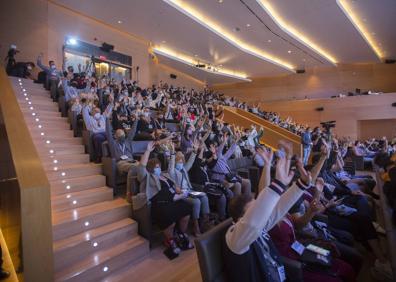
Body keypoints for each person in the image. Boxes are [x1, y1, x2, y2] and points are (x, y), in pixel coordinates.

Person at [223, 141, 312, 282]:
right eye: (253, 209)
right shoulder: (235, 237)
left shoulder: (259, 227)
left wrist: (301, 185)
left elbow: (278, 209)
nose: (259, 211)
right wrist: (277, 185)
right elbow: (251, 223)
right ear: (241, 218)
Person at [137, 142, 193, 259]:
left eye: (159, 166)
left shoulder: (164, 175)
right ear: (151, 168)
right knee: (169, 219)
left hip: (173, 199)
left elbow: (175, 187)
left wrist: (180, 191)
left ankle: (181, 234)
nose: (159, 168)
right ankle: (170, 240)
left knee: (187, 209)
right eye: (156, 167)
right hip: (160, 203)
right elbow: (141, 168)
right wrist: (147, 151)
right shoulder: (148, 177)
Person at [167, 141, 212, 236]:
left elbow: (190, 163)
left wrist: (195, 151)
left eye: (181, 161)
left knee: (204, 197)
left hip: (189, 191)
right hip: (182, 193)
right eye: (178, 161)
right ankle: (196, 227)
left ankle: (205, 222)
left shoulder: (184, 169)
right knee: (196, 202)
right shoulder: (172, 172)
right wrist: (173, 153)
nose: (180, 163)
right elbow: (171, 165)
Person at [82, 96, 113, 163]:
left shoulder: (102, 117)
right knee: (98, 138)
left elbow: (108, 110)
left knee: (113, 136)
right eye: (94, 109)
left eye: (97, 109)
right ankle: (99, 157)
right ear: (91, 112)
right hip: (96, 134)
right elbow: (84, 111)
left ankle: (113, 155)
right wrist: (87, 101)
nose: (96, 109)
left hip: (105, 133)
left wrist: (111, 103)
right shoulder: (89, 119)